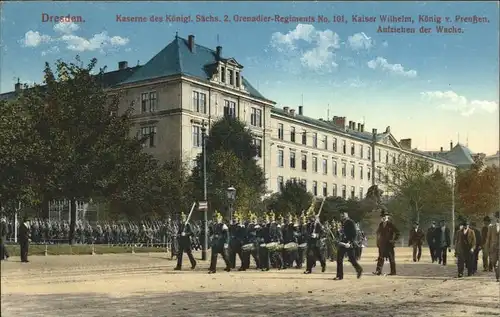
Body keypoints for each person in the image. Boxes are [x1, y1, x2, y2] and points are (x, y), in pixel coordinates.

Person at [333, 211, 363, 280]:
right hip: (342, 243)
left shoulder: (350, 222)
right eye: (341, 216)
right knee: (339, 259)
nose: (342, 217)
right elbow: (342, 233)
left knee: (352, 259)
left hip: (349, 243)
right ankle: (339, 276)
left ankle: (359, 269)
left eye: (343, 215)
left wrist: (350, 242)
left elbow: (354, 233)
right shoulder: (342, 223)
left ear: (346, 215)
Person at [373, 209, 400, 276]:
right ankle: (378, 271)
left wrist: (393, 240)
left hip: (389, 244)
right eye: (383, 216)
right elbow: (378, 233)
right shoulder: (381, 224)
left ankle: (393, 272)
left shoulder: (391, 224)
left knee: (391, 258)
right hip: (382, 244)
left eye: (385, 216)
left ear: (388, 217)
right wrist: (378, 242)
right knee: (380, 258)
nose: (384, 217)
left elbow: (398, 232)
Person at [304, 210, 326, 274]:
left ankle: (323, 264)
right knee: (309, 256)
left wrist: (316, 235)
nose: (310, 218)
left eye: (311, 217)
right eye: (309, 217)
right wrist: (309, 235)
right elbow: (306, 232)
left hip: (317, 243)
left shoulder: (318, 224)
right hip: (310, 242)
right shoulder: (308, 225)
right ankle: (308, 269)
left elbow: (322, 233)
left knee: (319, 256)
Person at [486, 211, 500, 282]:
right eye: (497, 217)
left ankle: (498, 277)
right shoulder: (491, 227)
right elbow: (488, 238)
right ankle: (497, 273)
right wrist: (487, 248)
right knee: (494, 262)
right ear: (496, 218)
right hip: (493, 248)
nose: (498, 219)